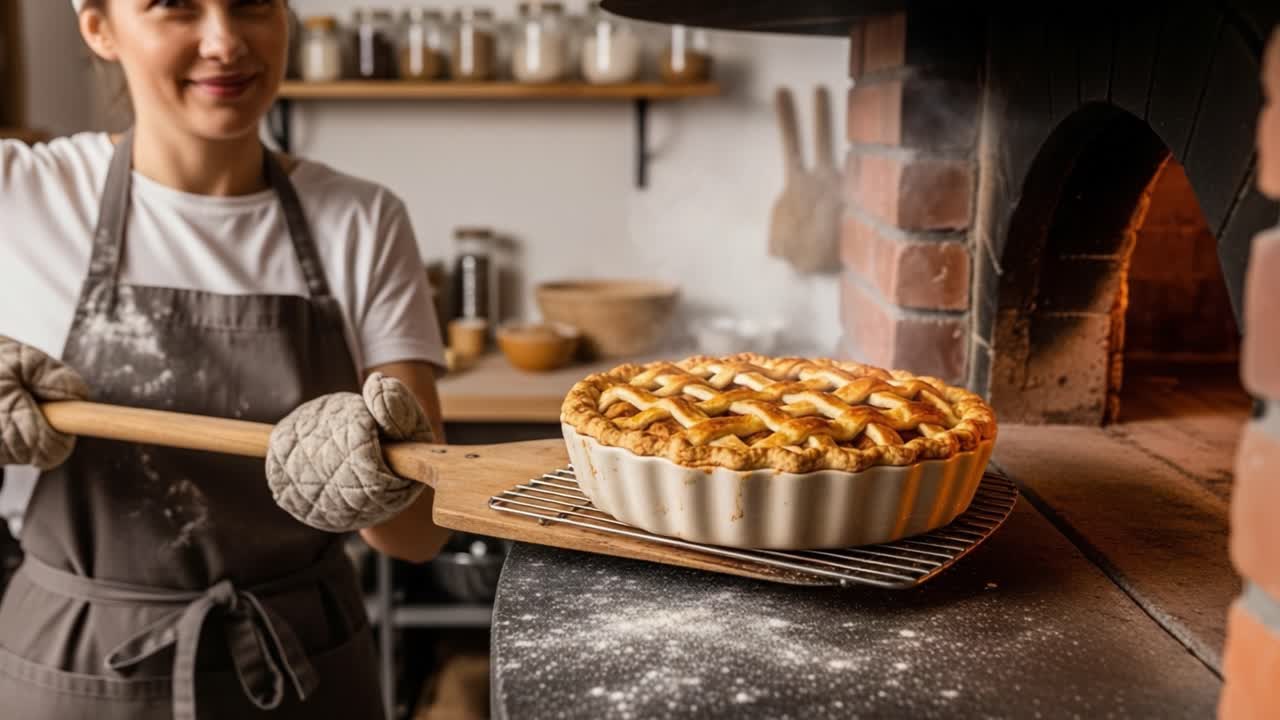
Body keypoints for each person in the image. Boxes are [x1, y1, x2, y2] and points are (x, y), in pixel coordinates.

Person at [0, 0, 452, 716]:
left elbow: (422, 535)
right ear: (99, 27)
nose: (225, 41)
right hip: (77, 671)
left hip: (301, 667)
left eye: (252, 5)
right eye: (174, 6)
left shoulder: (361, 221)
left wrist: (383, 486)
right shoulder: (20, 195)